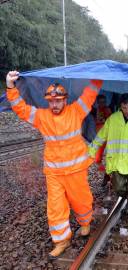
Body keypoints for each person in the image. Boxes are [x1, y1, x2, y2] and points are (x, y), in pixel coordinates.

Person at [6, 71, 103, 258]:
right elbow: (20, 108)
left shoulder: (76, 111)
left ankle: (85, 223)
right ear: (47, 101)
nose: (54, 104)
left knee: (81, 200)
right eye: (51, 101)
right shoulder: (42, 116)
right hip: (54, 172)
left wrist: (100, 74)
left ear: (65, 100)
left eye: (58, 100)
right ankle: (61, 240)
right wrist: (11, 87)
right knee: (55, 206)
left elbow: (90, 94)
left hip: (75, 170)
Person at [88, 93, 128, 228]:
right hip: (117, 161)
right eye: (123, 107)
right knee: (119, 189)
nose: (126, 110)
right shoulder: (113, 119)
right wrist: (91, 150)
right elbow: (101, 135)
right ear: (120, 107)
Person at [94, 94, 112, 187]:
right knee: (97, 159)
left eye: (104, 102)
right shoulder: (95, 110)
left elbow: (110, 122)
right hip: (99, 138)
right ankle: (107, 174)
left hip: (107, 137)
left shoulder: (107, 110)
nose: (102, 104)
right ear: (97, 102)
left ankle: (108, 176)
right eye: (100, 102)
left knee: (109, 157)